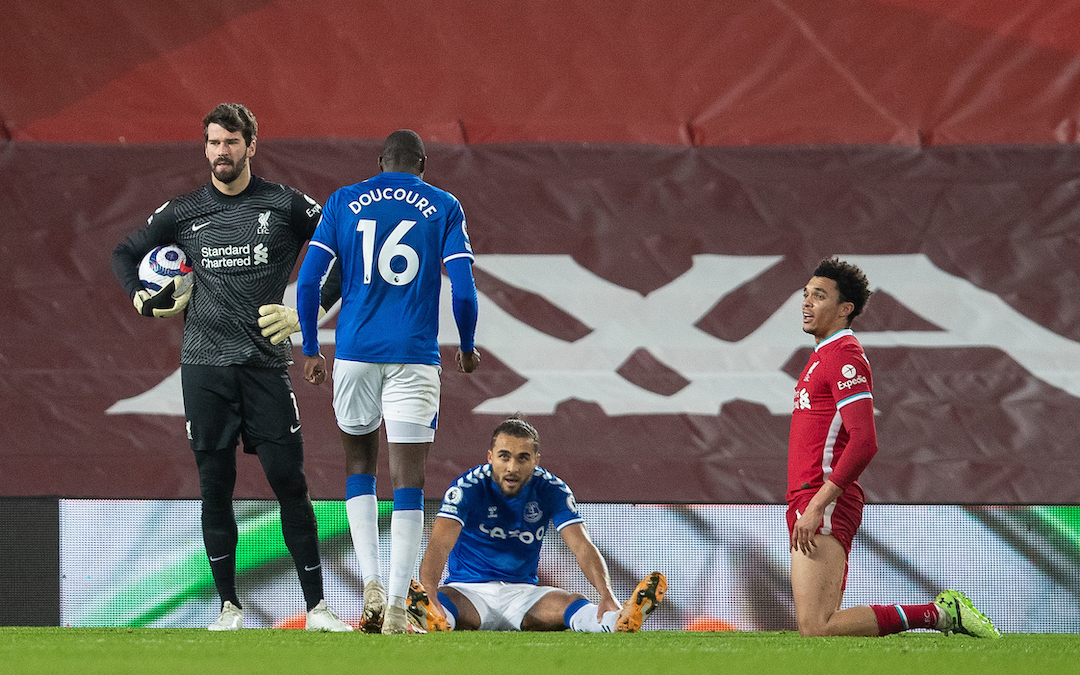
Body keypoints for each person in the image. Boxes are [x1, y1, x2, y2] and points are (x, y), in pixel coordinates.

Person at [111, 103, 351, 632]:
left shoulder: (284, 204)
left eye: (231, 142)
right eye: (214, 143)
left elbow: (348, 250)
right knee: (214, 484)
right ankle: (229, 609)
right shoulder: (183, 211)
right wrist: (139, 298)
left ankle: (316, 609)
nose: (222, 152)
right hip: (204, 369)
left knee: (290, 484)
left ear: (251, 146)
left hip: (265, 367)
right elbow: (123, 254)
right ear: (205, 149)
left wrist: (303, 313)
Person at [294, 129, 481, 634]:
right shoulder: (444, 205)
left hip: (354, 353)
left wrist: (311, 348)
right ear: (422, 164)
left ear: (380, 162)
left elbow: (309, 282)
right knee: (409, 481)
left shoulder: (344, 201)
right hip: (414, 357)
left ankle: (370, 582)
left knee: (359, 464)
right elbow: (462, 289)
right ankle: (399, 604)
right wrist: (466, 344)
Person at [787, 256, 1000, 638]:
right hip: (809, 497)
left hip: (822, 499)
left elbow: (865, 443)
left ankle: (940, 614)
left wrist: (818, 504)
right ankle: (939, 614)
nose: (806, 302)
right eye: (806, 294)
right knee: (824, 632)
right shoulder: (822, 355)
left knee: (817, 629)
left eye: (819, 296)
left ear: (844, 309)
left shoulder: (843, 356)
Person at [406, 417, 666, 634]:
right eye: (504, 457)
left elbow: (582, 546)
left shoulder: (552, 489)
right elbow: (439, 544)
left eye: (522, 458)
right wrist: (430, 593)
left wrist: (606, 593)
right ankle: (431, 618)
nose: (512, 467)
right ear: (490, 457)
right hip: (468, 592)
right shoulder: (467, 488)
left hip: (524, 595)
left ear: (536, 460)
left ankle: (617, 620)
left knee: (573, 603)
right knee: (444, 607)